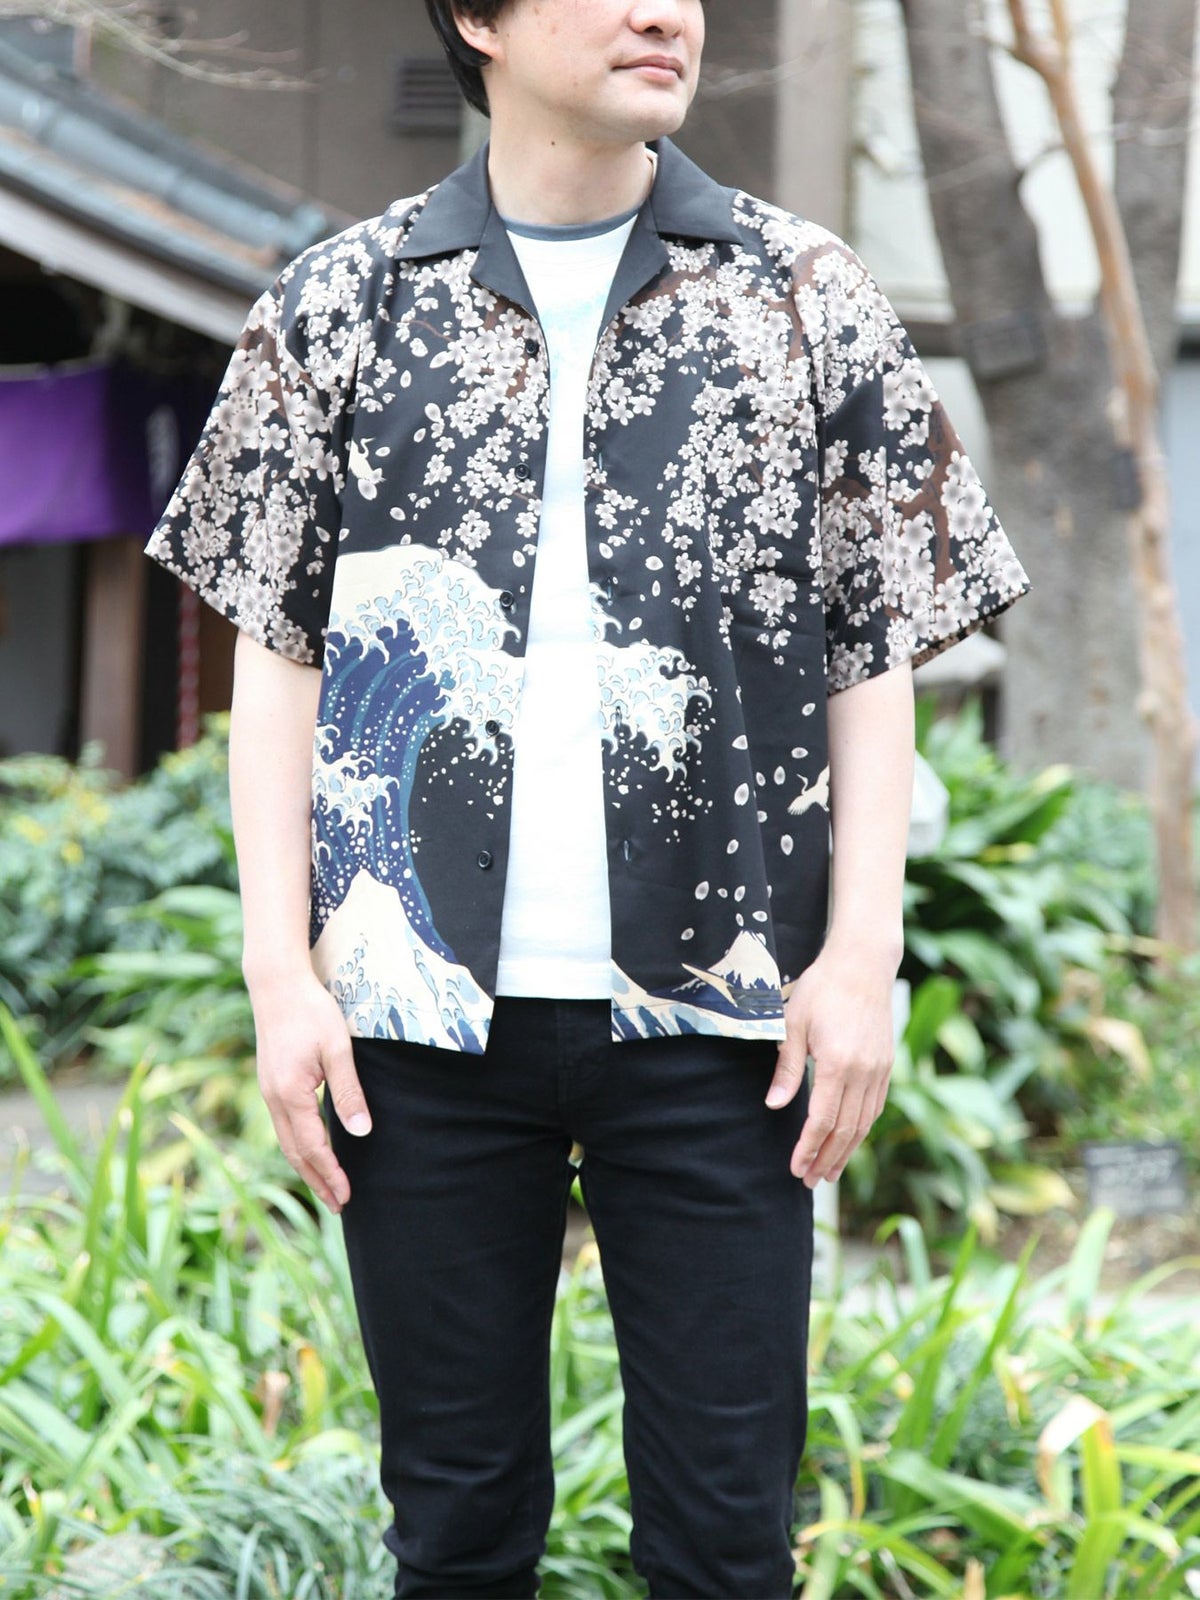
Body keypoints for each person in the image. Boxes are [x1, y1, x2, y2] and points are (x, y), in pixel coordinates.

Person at [145, 1, 1030, 1594]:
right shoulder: (341, 303)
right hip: (414, 1023)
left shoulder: (804, 294)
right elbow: (276, 659)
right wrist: (281, 973)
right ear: (477, 17)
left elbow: (872, 651)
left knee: (727, 1541)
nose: (665, 10)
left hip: (725, 1024)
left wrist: (863, 958)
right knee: (457, 1531)